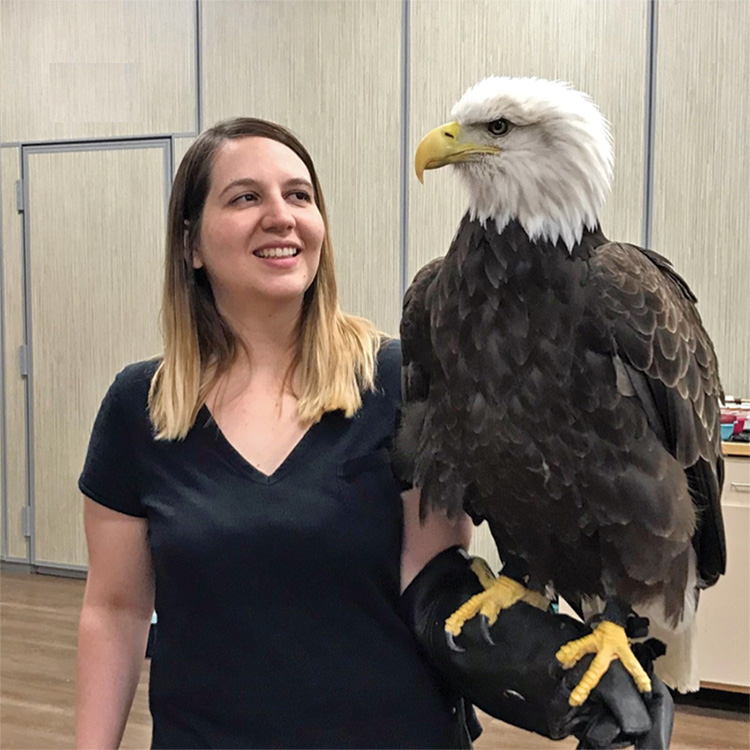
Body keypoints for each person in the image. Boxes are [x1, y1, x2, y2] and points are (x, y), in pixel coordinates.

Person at [75, 117, 672, 749]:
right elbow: (114, 611)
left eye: (300, 195)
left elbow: (433, 580)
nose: (281, 216)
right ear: (191, 244)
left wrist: (561, 675)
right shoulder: (139, 408)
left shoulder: (399, 378)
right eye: (246, 197)